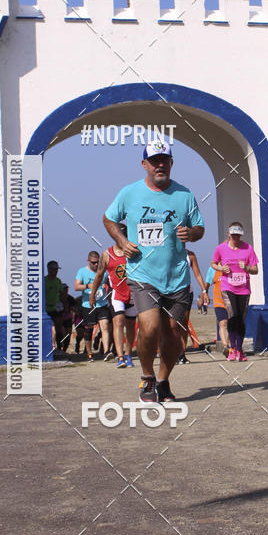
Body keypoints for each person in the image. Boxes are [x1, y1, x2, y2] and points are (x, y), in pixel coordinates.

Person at [103, 139, 204, 402]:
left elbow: (199, 228)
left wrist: (191, 233)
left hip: (176, 276)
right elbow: (109, 218)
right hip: (142, 274)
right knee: (150, 327)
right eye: (154, 161)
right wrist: (122, 241)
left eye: (164, 160)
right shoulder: (129, 193)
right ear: (144, 164)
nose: (160, 165)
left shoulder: (185, 195)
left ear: (171, 163)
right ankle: (147, 376)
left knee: (173, 332)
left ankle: (163, 380)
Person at [90, 225, 137, 368]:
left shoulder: (134, 251)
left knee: (131, 326)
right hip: (117, 294)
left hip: (133, 294)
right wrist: (93, 295)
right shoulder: (107, 254)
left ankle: (128, 354)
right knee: (118, 322)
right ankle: (120, 357)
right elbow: (99, 275)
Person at [211, 223, 258, 361]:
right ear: (228, 234)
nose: (236, 238)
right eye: (233, 235)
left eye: (238, 235)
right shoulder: (220, 248)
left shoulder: (248, 248)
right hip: (227, 287)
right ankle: (232, 350)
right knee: (232, 316)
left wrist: (247, 268)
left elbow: (255, 270)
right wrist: (221, 268)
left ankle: (239, 350)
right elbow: (213, 263)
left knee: (241, 319)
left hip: (244, 289)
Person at [74, 251, 114, 362]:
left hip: (102, 304)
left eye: (97, 262)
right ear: (88, 261)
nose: (96, 264)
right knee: (89, 329)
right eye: (93, 262)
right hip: (88, 305)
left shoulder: (103, 271)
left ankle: (106, 352)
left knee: (105, 327)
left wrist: (106, 284)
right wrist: (88, 286)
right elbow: (76, 287)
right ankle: (89, 353)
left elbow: (110, 281)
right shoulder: (82, 271)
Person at [176, 249, 209, 364]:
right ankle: (170, 353)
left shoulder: (190, 255)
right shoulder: (166, 252)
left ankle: (181, 355)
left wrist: (204, 291)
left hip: (187, 292)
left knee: (183, 324)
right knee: (171, 325)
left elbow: (198, 274)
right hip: (169, 292)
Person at [205, 264, 229, 357]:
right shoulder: (212, 269)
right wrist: (205, 294)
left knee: (231, 325)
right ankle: (226, 347)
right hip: (219, 302)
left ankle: (232, 347)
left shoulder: (230, 266)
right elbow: (207, 284)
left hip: (231, 302)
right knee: (223, 324)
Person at [44, 260, 65, 359]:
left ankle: (59, 348)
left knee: (59, 328)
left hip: (56, 308)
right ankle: (49, 347)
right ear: (49, 269)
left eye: (57, 269)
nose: (56, 271)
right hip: (46, 308)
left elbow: (62, 294)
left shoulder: (58, 281)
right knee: (50, 329)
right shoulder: (44, 281)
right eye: (54, 269)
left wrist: (65, 306)